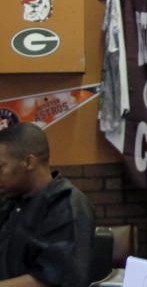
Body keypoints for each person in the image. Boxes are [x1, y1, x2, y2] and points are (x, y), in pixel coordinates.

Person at [0, 123, 95, 287]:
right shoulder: (12, 201)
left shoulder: (66, 205)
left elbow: (54, 281)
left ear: (29, 162)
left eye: (0, 168)